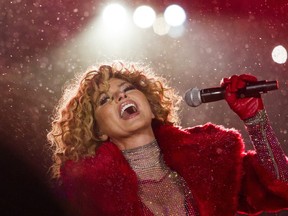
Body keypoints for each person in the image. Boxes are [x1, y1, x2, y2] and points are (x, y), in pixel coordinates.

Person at [47, 62, 288, 216]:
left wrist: (255, 120)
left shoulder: (210, 162)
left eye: (127, 89)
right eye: (104, 100)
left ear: (150, 106)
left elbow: (281, 188)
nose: (120, 97)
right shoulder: (87, 196)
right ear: (98, 130)